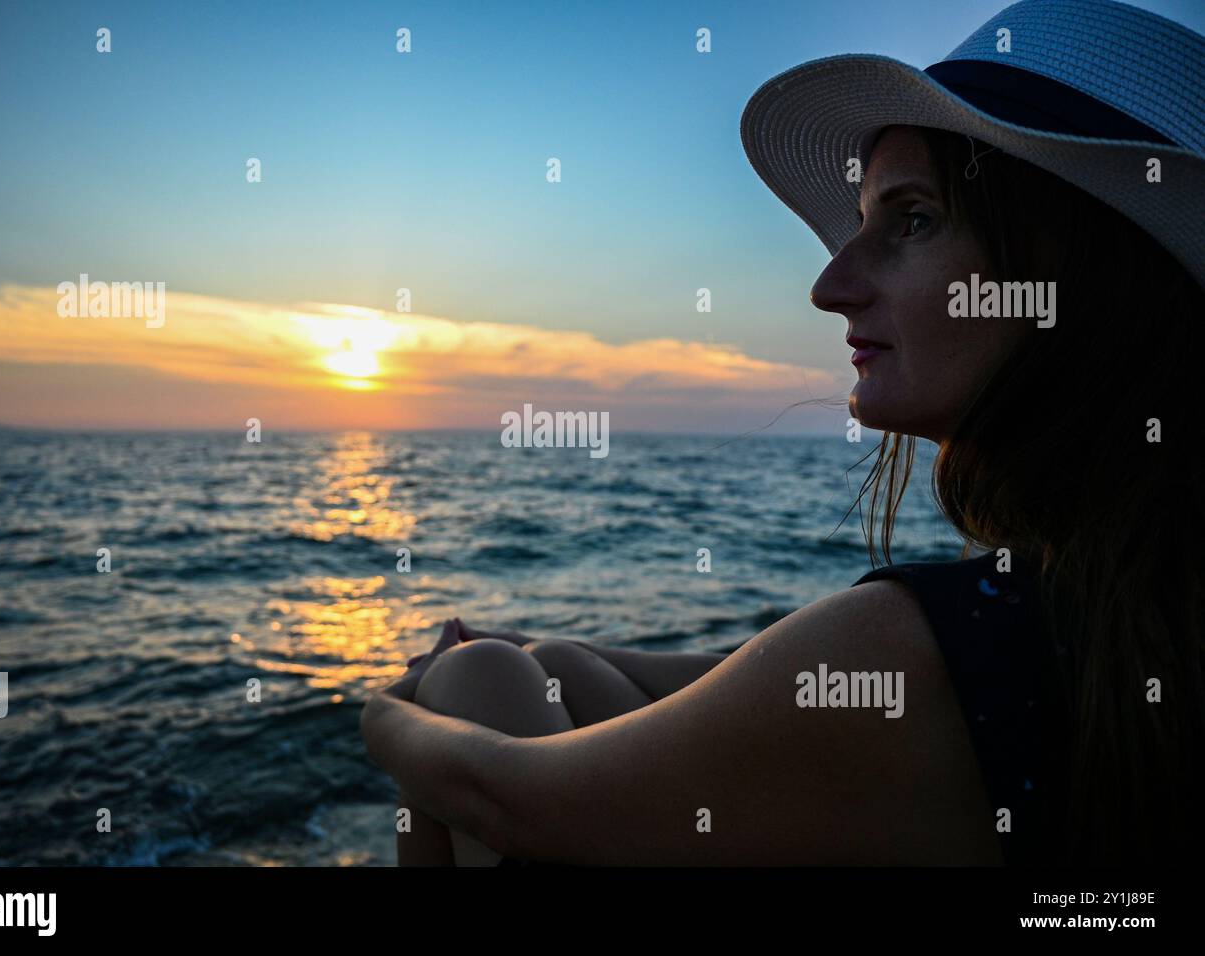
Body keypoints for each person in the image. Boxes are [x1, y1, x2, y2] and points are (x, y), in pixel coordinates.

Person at [361, 0, 1205, 866]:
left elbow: (513, 803)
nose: (830, 284)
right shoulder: (1120, 596)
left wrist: (387, 711)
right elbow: (788, 684)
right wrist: (541, 651)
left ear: (1080, 271)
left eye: (912, 220)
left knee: (477, 684)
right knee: (552, 668)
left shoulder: (944, 640)